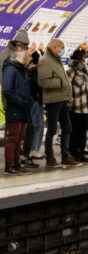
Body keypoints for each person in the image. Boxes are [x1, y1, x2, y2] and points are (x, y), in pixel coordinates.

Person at [38, 39, 80, 167]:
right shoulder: (45, 60)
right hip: (53, 100)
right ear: (54, 47)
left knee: (67, 127)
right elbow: (43, 82)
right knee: (52, 129)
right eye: (60, 48)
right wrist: (61, 82)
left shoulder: (56, 59)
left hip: (62, 99)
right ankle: (50, 157)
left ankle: (65, 156)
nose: (62, 51)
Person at [2, 41, 33, 175]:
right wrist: (21, 102)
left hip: (22, 108)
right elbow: (8, 90)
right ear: (17, 52)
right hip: (15, 109)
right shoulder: (10, 68)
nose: (27, 53)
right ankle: (9, 167)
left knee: (19, 138)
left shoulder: (21, 68)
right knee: (13, 138)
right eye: (24, 50)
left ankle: (16, 164)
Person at [67, 48, 88, 163]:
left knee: (83, 132)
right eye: (83, 58)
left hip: (86, 107)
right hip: (76, 107)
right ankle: (74, 152)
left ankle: (81, 152)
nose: (84, 61)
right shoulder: (71, 71)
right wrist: (70, 101)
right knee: (75, 132)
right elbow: (68, 88)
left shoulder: (85, 72)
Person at [21, 49, 44, 168]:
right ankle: (32, 151)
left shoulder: (29, 70)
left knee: (35, 126)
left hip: (34, 101)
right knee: (36, 126)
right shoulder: (33, 71)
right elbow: (39, 86)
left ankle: (31, 151)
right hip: (34, 101)